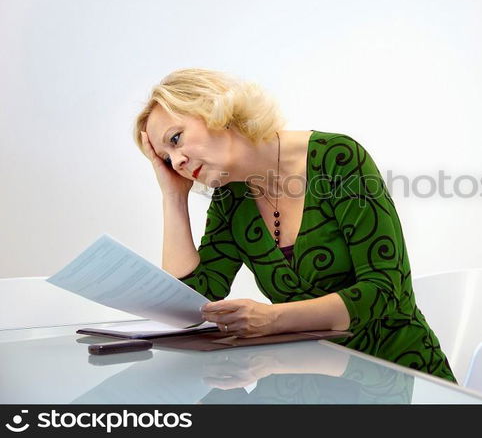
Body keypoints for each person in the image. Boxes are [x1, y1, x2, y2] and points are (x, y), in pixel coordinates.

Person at [133, 68, 456, 383]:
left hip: (396, 373)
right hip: (306, 380)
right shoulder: (231, 199)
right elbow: (191, 306)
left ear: (215, 110)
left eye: (176, 139)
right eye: (166, 159)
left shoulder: (337, 158)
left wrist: (272, 319)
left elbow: (387, 290)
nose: (177, 162)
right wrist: (173, 198)